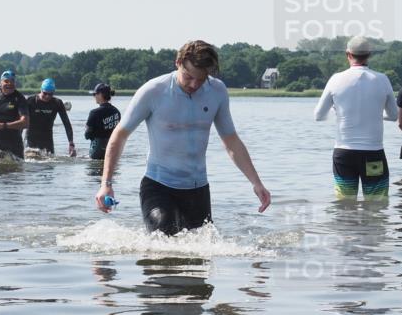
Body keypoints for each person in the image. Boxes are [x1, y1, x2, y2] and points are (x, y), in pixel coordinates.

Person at [94, 40, 270, 235]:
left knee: (202, 248)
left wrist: (256, 183)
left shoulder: (217, 91)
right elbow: (119, 136)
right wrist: (106, 184)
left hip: (198, 190)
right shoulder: (153, 91)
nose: (194, 84)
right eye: (189, 76)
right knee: (165, 237)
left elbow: (231, 141)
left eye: (201, 79)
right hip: (159, 187)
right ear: (178, 62)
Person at [313, 36, 399, 199]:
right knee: (376, 204)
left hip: (344, 155)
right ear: (369, 55)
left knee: (344, 204)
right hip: (373, 154)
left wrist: (338, 112)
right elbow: (394, 115)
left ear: (348, 54)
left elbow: (318, 115)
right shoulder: (382, 79)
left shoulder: (336, 79)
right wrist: (375, 114)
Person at [26, 78, 76, 156]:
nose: (47, 96)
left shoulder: (57, 103)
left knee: (49, 161)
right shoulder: (31, 101)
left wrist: (71, 143)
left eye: (50, 94)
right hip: (31, 139)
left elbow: (66, 123)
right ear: (41, 90)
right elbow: (21, 120)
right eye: (45, 93)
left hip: (47, 140)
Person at [85, 83, 121, 160]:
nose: (94, 96)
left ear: (100, 94)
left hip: (97, 151)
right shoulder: (117, 112)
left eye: (94, 94)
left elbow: (87, 135)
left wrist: (87, 129)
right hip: (112, 149)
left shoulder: (94, 112)